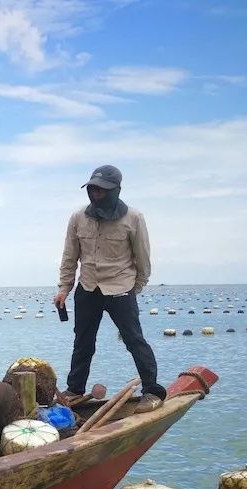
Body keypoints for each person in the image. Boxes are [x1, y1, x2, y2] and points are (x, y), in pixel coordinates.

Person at [54, 165, 166, 412]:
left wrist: (133, 289)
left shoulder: (134, 218)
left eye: (102, 190)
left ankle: (152, 390)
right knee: (83, 341)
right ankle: (75, 389)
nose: (96, 194)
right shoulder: (78, 217)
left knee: (134, 340)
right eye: (93, 189)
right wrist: (64, 288)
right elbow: (69, 257)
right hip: (88, 286)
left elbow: (143, 259)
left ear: (116, 190)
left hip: (120, 288)